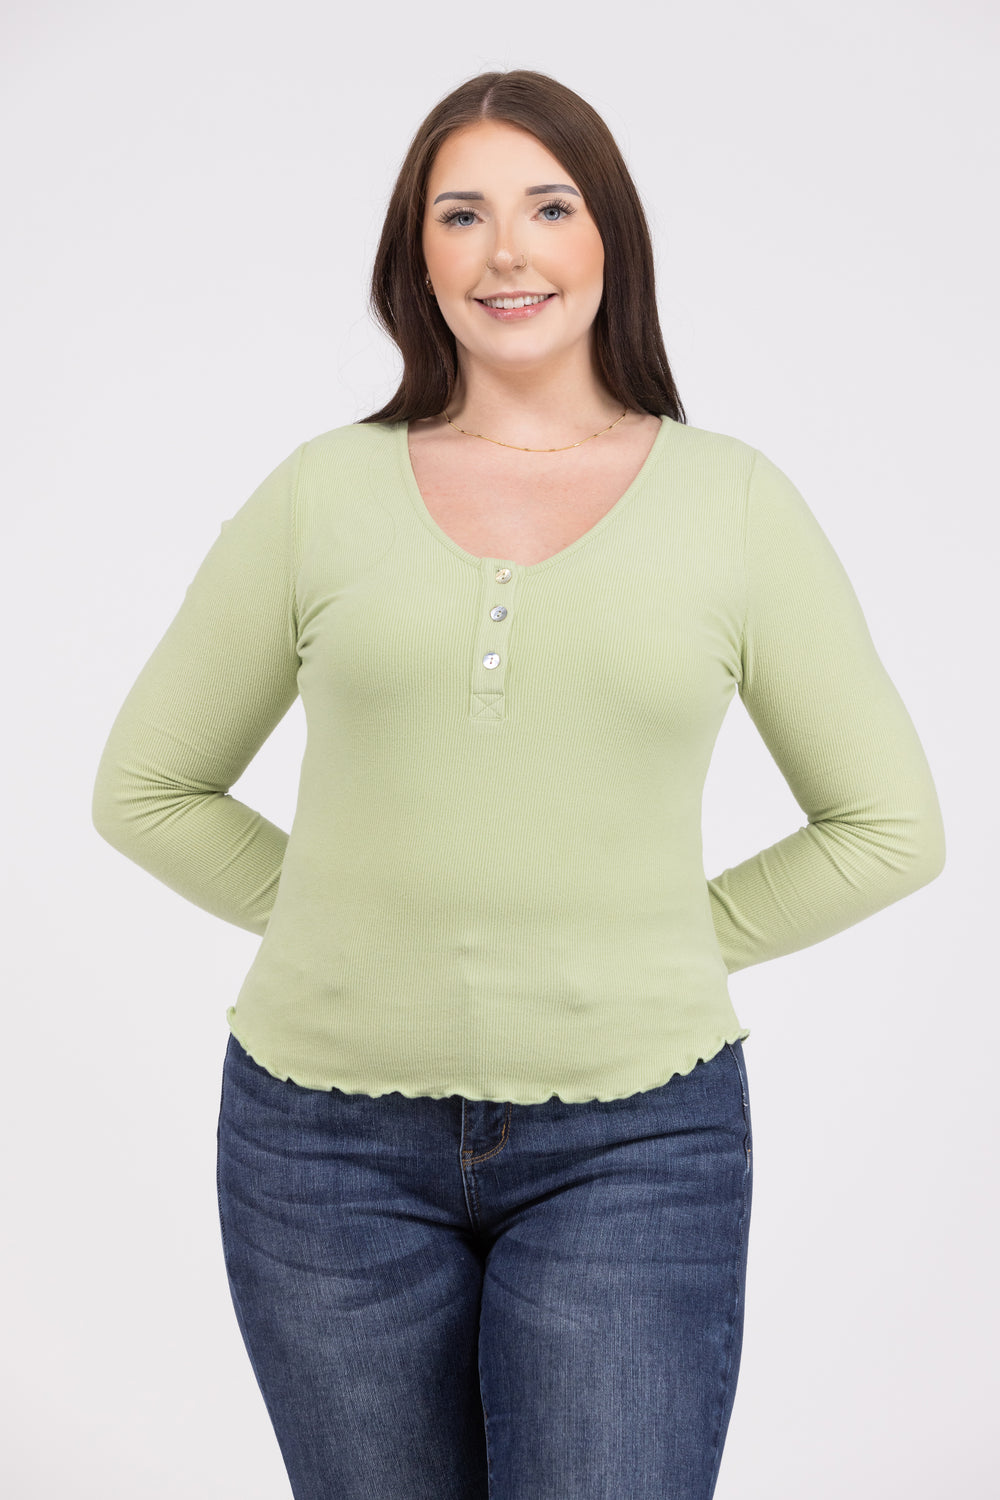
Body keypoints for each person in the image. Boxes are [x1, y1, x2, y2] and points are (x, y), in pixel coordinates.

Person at [91, 68, 946, 1500]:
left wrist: (663, 943)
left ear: (610, 235)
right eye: (461, 214)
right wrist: (350, 927)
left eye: (549, 207)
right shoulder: (321, 492)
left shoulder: (732, 500)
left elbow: (889, 827)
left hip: (638, 1143)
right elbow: (147, 788)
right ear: (416, 257)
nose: (506, 251)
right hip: (320, 1149)